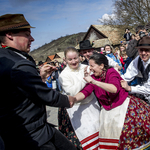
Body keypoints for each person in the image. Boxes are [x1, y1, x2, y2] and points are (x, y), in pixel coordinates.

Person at [0, 14, 77, 150]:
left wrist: (40, 79)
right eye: (27, 34)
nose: (32, 39)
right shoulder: (18, 64)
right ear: (10, 35)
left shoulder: (5, 57)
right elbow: (45, 95)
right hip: (32, 136)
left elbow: (20, 91)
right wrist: (68, 100)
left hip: (27, 130)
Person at [74, 53, 150, 149]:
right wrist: (73, 99)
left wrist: (94, 82)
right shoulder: (93, 77)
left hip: (122, 106)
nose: (90, 69)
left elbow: (114, 89)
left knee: (126, 135)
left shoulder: (111, 72)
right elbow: (85, 91)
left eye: (92, 66)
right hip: (107, 111)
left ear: (101, 66)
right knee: (109, 138)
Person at [58, 47, 100, 150]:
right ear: (65, 60)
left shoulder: (87, 67)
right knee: (85, 134)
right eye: (70, 59)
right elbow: (72, 91)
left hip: (92, 103)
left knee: (99, 129)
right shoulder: (63, 75)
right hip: (77, 108)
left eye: (75, 58)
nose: (73, 61)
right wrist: (85, 80)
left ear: (79, 57)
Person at [121, 36, 150, 105]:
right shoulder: (138, 59)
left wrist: (130, 88)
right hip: (146, 96)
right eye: (141, 50)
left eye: (146, 50)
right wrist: (117, 81)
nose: (143, 53)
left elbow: (149, 89)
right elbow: (128, 75)